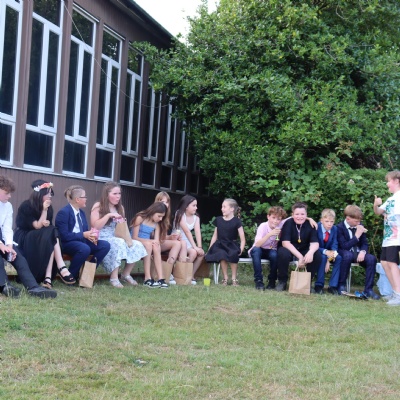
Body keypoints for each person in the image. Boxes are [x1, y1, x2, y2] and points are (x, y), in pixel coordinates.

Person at [0, 175, 56, 298]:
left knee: (19, 258)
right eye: (6, 193)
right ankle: (5, 286)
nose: (9, 196)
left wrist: (9, 246)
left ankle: (33, 287)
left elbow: (7, 228)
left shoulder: (7, 206)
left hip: (2, 238)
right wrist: (1, 245)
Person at [14, 179, 76, 288]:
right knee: (51, 232)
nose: (50, 196)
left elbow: (46, 227)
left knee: (51, 232)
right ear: (40, 194)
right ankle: (61, 267)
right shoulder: (26, 205)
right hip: (25, 236)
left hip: (42, 237)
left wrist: (46, 223)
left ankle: (48, 278)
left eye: (51, 193)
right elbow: (37, 226)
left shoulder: (49, 207)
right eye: (48, 193)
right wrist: (44, 210)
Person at [90, 182, 147, 288]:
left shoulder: (120, 208)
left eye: (119, 193)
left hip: (115, 235)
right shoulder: (98, 206)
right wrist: (108, 215)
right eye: (115, 194)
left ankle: (126, 274)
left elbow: (120, 228)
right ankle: (114, 278)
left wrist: (121, 221)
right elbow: (95, 226)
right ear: (107, 194)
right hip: (101, 237)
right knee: (119, 243)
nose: (118, 196)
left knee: (137, 244)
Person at [55, 185, 110, 281]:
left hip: (81, 241)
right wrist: (83, 235)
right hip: (67, 243)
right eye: (85, 197)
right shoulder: (63, 213)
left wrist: (91, 237)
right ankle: (71, 275)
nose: (86, 199)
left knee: (105, 245)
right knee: (84, 248)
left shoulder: (82, 213)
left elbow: (84, 231)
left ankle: (86, 274)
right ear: (77, 199)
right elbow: (63, 236)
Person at [276, 202, 322, 292]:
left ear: (306, 214)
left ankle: (307, 282)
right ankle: (282, 281)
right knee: (282, 253)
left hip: (304, 249)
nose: (299, 217)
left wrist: (310, 252)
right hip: (290, 249)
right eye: (297, 214)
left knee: (317, 255)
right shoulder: (288, 223)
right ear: (292, 214)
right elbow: (285, 243)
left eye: (302, 214)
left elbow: (315, 243)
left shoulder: (311, 224)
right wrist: (300, 257)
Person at [337, 205, 380, 299]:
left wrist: (363, 251)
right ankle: (341, 286)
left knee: (371, 259)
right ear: (348, 219)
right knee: (347, 255)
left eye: (359, 221)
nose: (359, 223)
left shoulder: (360, 226)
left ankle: (368, 290)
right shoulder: (339, 228)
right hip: (345, 253)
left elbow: (364, 243)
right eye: (356, 221)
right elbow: (344, 246)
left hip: (358, 254)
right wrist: (356, 236)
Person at [373, 171, 400, 305]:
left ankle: (398, 295)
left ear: (396, 181)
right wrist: (376, 204)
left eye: (388, 181)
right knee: (384, 263)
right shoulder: (391, 199)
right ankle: (394, 292)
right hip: (388, 239)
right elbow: (378, 212)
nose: (387, 184)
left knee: (392, 263)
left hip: (397, 237)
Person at [205, 198, 246, 286]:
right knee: (222, 254)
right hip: (220, 244)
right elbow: (214, 236)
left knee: (233, 253)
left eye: (224, 207)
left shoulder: (237, 221)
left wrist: (241, 249)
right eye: (222, 207)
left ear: (232, 209)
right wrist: (210, 248)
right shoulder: (218, 220)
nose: (222, 209)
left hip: (232, 244)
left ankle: (234, 279)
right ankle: (225, 278)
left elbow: (242, 239)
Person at [131, 202, 169, 288]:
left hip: (147, 242)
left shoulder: (157, 224)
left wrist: (155, 243)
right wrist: (150, 241)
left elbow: (156, 240)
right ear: (153, 211)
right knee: (149, 245)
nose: (160, 219)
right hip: (137, 241)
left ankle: (160, 278)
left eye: (162, 217)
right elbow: (134, 237)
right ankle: (147, 278)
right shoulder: (140, 218)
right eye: (159, 216)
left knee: (156, 246)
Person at [249, 206, 287, 290]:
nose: (275, 221)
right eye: (273, 217)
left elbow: (294, 217)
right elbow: (257, 244)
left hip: (271, 250)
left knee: (274, 255)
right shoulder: (263, 226)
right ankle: (259, 281)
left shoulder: (280, 224)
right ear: (268, 216)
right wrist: (270, 234)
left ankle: (272, 281)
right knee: (256, 251)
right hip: (259, 248)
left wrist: (309, 219)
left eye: (278, 219)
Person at [155, 192, 187, 284]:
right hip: (152, 242)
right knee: (177, 243)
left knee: (181, 242)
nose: (165, 204)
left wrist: (171, 237)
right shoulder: (155, 214)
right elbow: (153, 235)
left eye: (167, 202)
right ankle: (168, 272)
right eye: (162, 202)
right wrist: (170, 238)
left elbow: (163, 236)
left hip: (160, 241)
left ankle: (175, 272)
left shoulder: (166, 217)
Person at [173, 195, 205, 285]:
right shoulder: (179, 214)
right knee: (194, 252)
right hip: (177, 239)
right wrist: (195, 247)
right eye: (194, 205)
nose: (196, 208)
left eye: (196, 205)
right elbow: (187, 231)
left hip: (188, 240)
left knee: (201, 254)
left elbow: (197, 232)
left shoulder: (196, 217)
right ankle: (181, 273)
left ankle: (190, 274)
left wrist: (199, 247)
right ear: (186, 206)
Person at [314, 209, 341, 295]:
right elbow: (314, 244)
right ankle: (319, 285)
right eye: (327, 221)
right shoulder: (316, 228)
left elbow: (335, 244)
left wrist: (330, 259)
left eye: (331, 221)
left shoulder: (334, 229)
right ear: (321, 220)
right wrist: (325, 252)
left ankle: (333, 286)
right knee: (322, 258)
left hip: (330, 253)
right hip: (318, 251)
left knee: (339, 258)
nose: (329, 224)